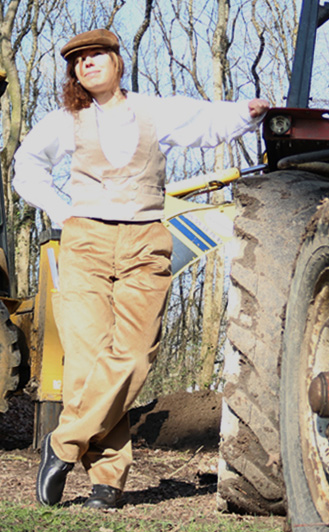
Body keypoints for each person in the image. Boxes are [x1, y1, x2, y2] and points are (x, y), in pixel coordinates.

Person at [13, 28, 269, 509]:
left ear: (116, 60)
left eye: (96, 56)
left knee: (132, 358)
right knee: (87, 367)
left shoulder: (154, 111)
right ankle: (107, 483)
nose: (87, 64)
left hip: (145, 241)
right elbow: (27, 166)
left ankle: (62, 444)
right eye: (78, 60)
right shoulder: (66, 120)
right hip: (85, 242)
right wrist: (59, 209)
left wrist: (245, 112)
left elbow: (205, 121)